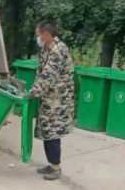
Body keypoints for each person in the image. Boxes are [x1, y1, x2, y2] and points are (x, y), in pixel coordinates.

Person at [29, 20, 74, 180]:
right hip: (50, 99)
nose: (38, 39)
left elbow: (48, 76)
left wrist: (32, 93)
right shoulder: (47, 49)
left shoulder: (57, 51)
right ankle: (51, 164)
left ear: (47, 34)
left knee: (53, 133)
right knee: (48, 132)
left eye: (39, 36)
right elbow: (42, 73)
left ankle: (56, 168)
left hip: (58, 101)